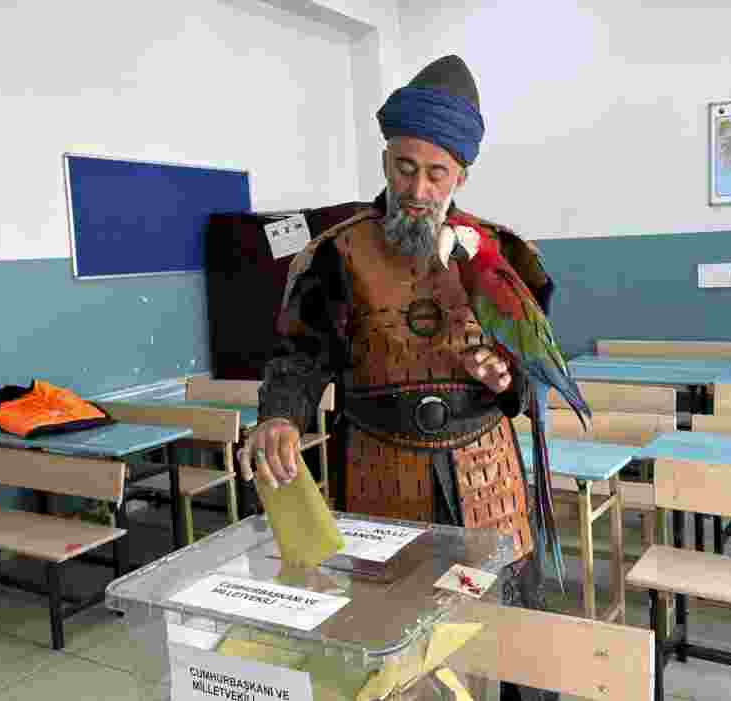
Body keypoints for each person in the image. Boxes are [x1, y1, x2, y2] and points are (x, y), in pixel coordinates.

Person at [239, 55, 558, 701]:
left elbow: (530, 385)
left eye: (436, 172)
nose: (417, 188)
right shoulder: (335, 253)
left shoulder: (504, 254)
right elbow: (298, 356)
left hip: (485, 472)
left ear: (460, 174)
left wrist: (504, 379)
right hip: (379, 474)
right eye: (403, 166)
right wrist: (279, 415)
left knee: (511, 642)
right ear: (385, 159)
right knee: (394, 648)